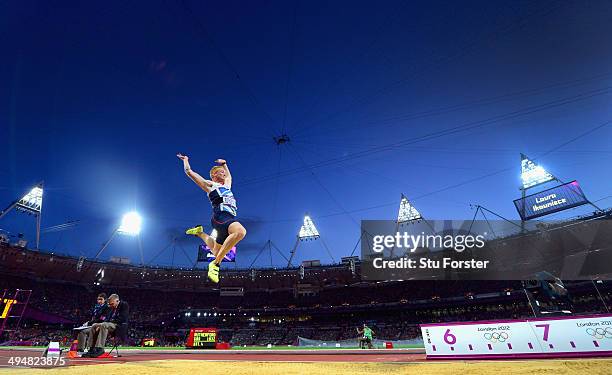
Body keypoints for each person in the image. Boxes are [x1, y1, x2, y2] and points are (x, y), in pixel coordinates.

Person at [178, 154, 247, 283]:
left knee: (217, 251)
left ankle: (199, 232)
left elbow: (230, 177)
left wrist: (225, 164)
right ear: (213, 176)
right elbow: (189, 172)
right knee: (240, 232)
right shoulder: (210, 185)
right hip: (220, 217)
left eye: (223, 172)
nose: (224, 174)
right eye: (220, 172)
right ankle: (215, 264)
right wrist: (186, 161)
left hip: (229, 217)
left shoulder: (227, 186)